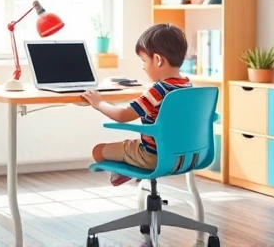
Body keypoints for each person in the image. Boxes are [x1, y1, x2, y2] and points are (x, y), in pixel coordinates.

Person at [82, 23, 192, 186]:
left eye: (144, 61)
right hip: (185, 156)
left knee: (98, 151)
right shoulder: (187, 86)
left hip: (154, 157)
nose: (143, 66)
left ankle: (129, 170)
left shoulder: (158, 91)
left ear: (158, 60)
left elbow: (122, 115)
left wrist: (99, 103)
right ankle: (131, 168)